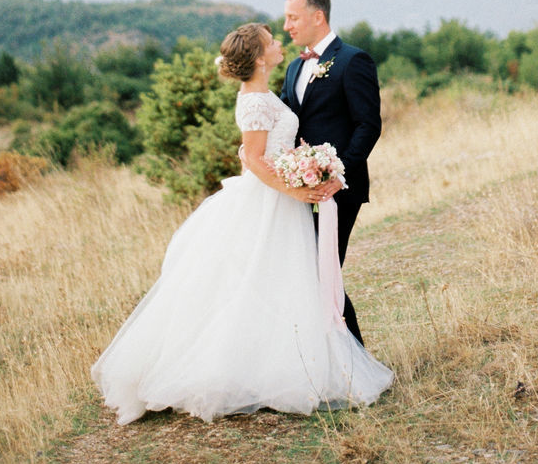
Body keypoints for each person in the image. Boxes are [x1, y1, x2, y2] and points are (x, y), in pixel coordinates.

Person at [90, 22, 393, 425]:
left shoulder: (265, 92)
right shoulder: (252, 100)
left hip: (280, 200)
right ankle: (239, 371)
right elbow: (253, 159)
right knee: (256, 281)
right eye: (271, 41)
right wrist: (297, 190)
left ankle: (281, 363)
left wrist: (304, 168)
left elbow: (271, 148)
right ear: (256, 56)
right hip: (268, 202)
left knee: (282, 283)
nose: (279, 42)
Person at [280, 0, 382, 346]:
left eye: (293, 17)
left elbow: (368, 125)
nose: (286, 25)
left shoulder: (354, 61)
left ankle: (354, 356)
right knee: (310, 270)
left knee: (322, 271)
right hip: (300, 188)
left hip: (339, 188)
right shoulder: (294, 67)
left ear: (317, 16)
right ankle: (331, 356)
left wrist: (339, 175)